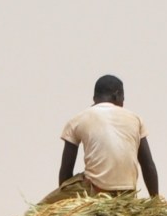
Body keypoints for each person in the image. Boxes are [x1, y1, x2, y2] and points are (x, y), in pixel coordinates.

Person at [40, 75, 158, 204]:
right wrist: (155, 202)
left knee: (40, 208)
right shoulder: (135, 119)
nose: (123, 103)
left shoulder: (78, 120)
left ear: (94, 97)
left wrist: (65, 204)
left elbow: (65, 171)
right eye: (123, 98)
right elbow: (148, 165)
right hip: (127, 194)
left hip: (95, 190)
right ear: (117, 95)